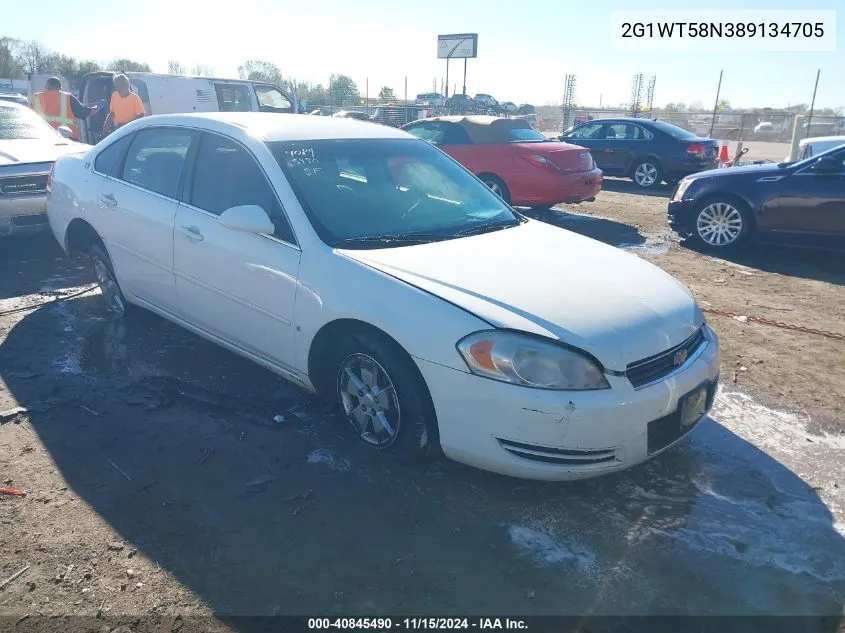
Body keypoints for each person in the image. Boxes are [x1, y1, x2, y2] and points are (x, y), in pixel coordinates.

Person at [30, 77, 98, 140]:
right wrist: (96, 107)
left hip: (43, 136)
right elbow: (83, 112)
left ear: (46, 86)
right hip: (67, 138)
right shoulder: (68, 97)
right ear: (60, 87)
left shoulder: (36, 97)